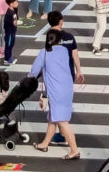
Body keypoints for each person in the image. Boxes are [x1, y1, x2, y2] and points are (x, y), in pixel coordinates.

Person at [30, 29, 80, 159]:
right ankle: (44, 144)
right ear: (59, 40)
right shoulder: (64, 50)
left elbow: (34, 71)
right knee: (53, 118)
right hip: (67, 88)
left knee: (62, 121)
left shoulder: (44, 52)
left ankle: (74, 150)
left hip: (55, 91)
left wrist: (29, 79)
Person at [3, 0, 18, 66]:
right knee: (8, 46)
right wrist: (13, 23)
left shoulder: (13, 11)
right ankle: (7, 59)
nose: (17, 3)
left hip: (12, 31)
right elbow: (6, 23)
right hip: (9, 32)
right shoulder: (9, 13)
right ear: (11, 4)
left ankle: (9, 57)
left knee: (11, 45)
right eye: (16, 2)